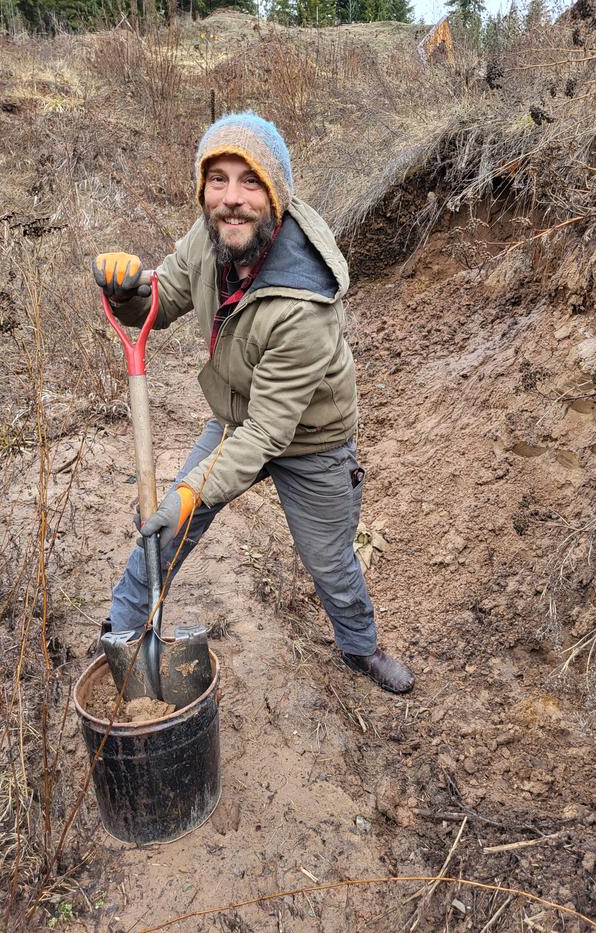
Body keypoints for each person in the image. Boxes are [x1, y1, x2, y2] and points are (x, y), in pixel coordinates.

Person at [92, 111, 414, 694]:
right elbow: (162, 301)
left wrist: (191, 490)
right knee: (163, 529)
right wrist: (131, 291)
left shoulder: (306, 302)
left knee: (331, 564)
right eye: (218, 179)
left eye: (250, 182)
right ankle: (123, 628)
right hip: (236, 416)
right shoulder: (210, 234)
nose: (231, 199)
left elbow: (269, 434)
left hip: (310, 439)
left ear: (277, 194)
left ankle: (360, 648)